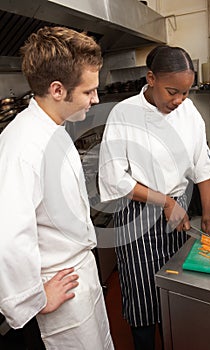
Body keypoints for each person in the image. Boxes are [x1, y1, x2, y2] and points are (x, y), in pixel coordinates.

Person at [98, 45, 210, 350]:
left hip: (178, 215)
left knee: (175, 295)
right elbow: (114, 179)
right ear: (150, 78)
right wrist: (165, 202)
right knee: (143, 304)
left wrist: (208, 212)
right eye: (172, 92)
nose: (179, 100)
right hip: (138, 215)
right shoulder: (123, 113)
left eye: (185, 92)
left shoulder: (188, 112)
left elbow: (202, 164)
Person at [0, 26, 114, 350]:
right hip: (59, 291)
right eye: (89, 91)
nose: (96, 98)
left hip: (81, 277)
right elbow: (6, 239)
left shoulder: (55, 127)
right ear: (58, 90)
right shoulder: (21, 146)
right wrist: (34, 299)